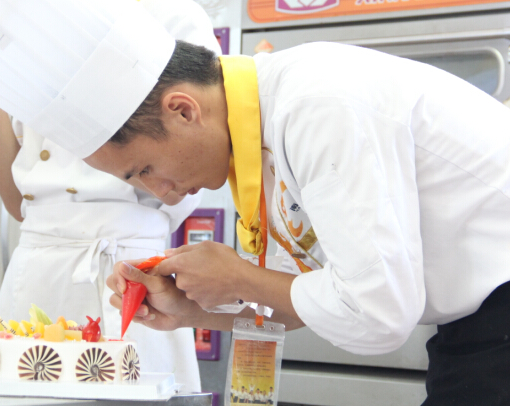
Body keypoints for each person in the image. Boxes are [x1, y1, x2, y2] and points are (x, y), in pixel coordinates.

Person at [81, 41, 510, 406]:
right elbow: (313, 297)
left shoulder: (313, 106)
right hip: (475, 324)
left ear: (182, 110)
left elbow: (378, 314)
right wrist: (190, 311)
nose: (161, 193)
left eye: (145, 169)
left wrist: (239, 277)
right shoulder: (259, 131)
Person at [0, 0, 221, 393]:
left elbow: (183, 178)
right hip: (38, 268)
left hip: (128, 274)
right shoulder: (33, 18)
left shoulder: (173, 14)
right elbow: (19, 206)